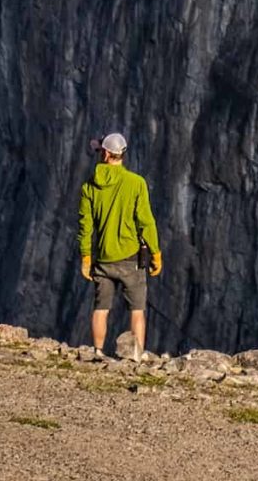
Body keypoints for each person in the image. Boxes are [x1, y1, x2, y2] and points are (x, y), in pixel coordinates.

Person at [77, 130, 162, 359]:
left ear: (105, 154)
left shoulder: (89, 187)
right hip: (130, 259)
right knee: (137, 311)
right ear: (121, 154)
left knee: (101, 309)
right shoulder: (136, 184)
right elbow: (146, 222)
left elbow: (85, 226)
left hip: (103, 260)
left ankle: (97, 351)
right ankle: (136, 356)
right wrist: (155, 254)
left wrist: (86, 257)